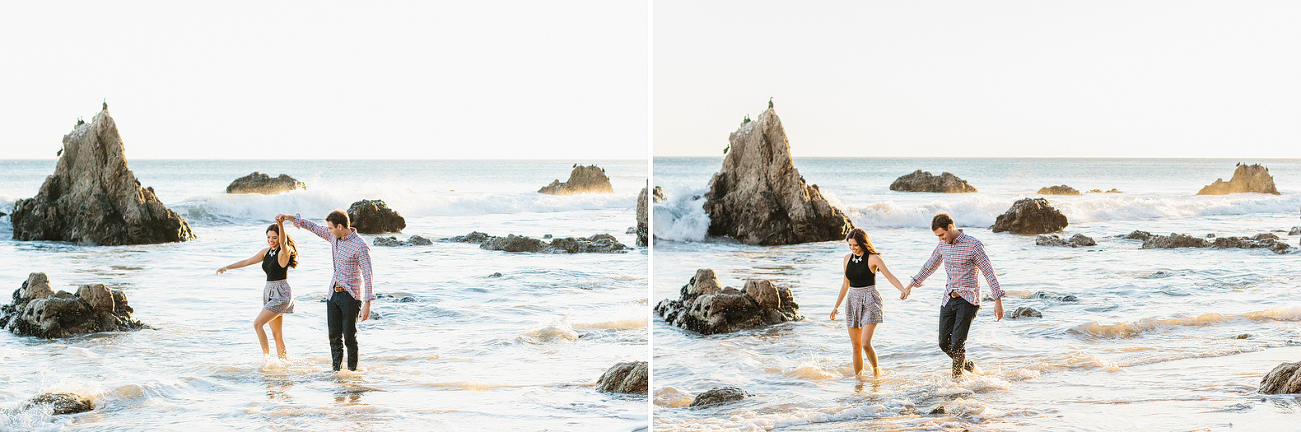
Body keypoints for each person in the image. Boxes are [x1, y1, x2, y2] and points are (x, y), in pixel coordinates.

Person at [905, 213, 1005, 378]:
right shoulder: (942, 246)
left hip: (968, 300)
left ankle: (956, 383)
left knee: (957, 342)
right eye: (937, 236)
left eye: (942, 235)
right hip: (948, 298)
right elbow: (929, 266)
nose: (940, 239)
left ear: (950, 228)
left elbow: (989, 272)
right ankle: (969, 366)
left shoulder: (973, 245)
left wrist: (998, 300)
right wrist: (910, 286)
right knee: (944, 343)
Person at [276, 210, 374, 372]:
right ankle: (336, 374)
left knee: (349, 339)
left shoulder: (360, 246)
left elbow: (368, 275)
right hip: (332, 295)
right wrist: (288, 218)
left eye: (330, 228)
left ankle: (352, 376)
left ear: (340, 226)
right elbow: (313, 227)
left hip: (351, 296)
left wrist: (367, 303)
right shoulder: (333, 237)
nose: (327, 230)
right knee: (334, 338)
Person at [830, 228, 909, 378]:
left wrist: (903, 289)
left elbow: (889, 276)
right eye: (850, 245)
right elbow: (845, 284)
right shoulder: (847, 259)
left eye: (855, 245)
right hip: (852, 301)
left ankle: (875, 371)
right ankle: (858, 381)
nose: (852, 248)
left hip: (870, 301)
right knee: (856, 346)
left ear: (863, 243)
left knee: (865, 343)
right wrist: (836, 307)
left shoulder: (873, 258)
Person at [216, 219, 298, 362]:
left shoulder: (284, 252)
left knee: (257, 324)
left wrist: (281, 224)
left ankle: (267, 360)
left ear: (280, 237)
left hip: (281, 293)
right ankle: (284, 364)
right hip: (269, 292)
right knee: (277, 334)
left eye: (274, 237)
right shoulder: (266, 252)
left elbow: (284, 244)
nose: (271, 240)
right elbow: (246, 262)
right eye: (268, 237)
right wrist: (227, 267)